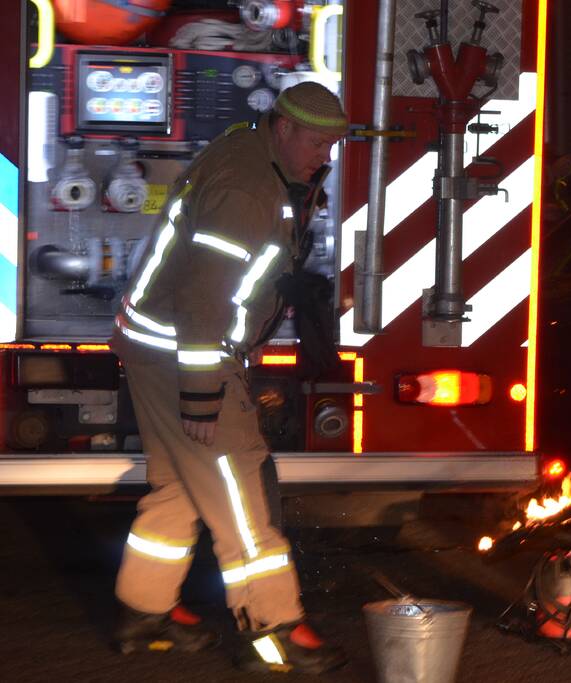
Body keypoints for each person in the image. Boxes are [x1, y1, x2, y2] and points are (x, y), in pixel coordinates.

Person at [108, 81, 348, 675]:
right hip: (187, 351)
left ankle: (144, 613)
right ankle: (274, 629)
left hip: (157, 343)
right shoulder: (247, 187)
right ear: (284, 128)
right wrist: (202, 391)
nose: (326, 156)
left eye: (333, 144)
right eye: (317, 142)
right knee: (240, 490)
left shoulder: (253, 153)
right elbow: (204, 294)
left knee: (179, 488)